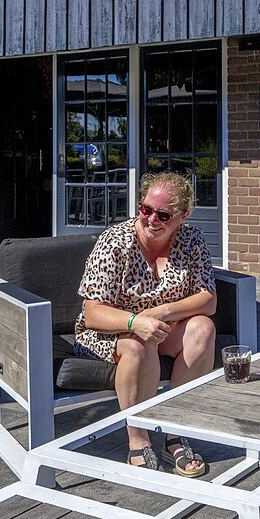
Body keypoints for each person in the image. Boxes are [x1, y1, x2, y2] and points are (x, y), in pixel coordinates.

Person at [75, 171, 216, 477]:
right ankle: (138, 438)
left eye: (163, 214)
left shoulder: (192, 240)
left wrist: (162, 312)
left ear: (183, 216)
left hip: (163, 326)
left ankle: (176, 433)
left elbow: (208, 299)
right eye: (146, 209)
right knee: (139, 346)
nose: (152, 219)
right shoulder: (115, 242)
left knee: (203, 327)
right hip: (111, 332)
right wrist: (135, 321)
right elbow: (92, 314)